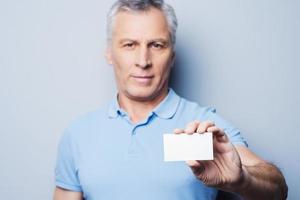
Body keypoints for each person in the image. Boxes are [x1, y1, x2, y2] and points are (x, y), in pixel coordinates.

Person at [53, 0, 288, 199]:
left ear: (172, 56)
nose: (143, 60)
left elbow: (278, 189)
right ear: (109, 53)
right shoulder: (79, 134)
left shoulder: (204, 126)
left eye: (156, 45)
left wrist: (242, 180)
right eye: (129, 45)